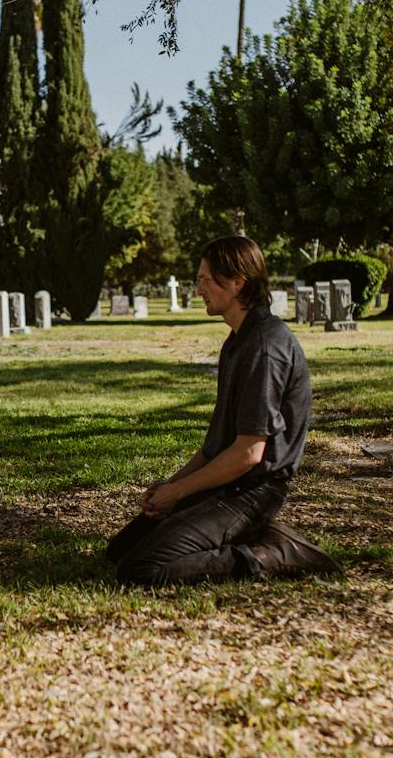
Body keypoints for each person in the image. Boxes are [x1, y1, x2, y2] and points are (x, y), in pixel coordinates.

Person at [106, 235, 338, 585]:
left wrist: (179, 493)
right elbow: (215, 447)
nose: (198, 288)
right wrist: (171, 485)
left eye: (204, 279)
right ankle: (251, 535)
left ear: (236, 283)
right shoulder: (238, 340)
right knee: (120, 551)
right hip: (226, 484)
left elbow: (248, 454)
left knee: (139, 569)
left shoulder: (264, 347)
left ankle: (270, 553)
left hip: (252, 493)